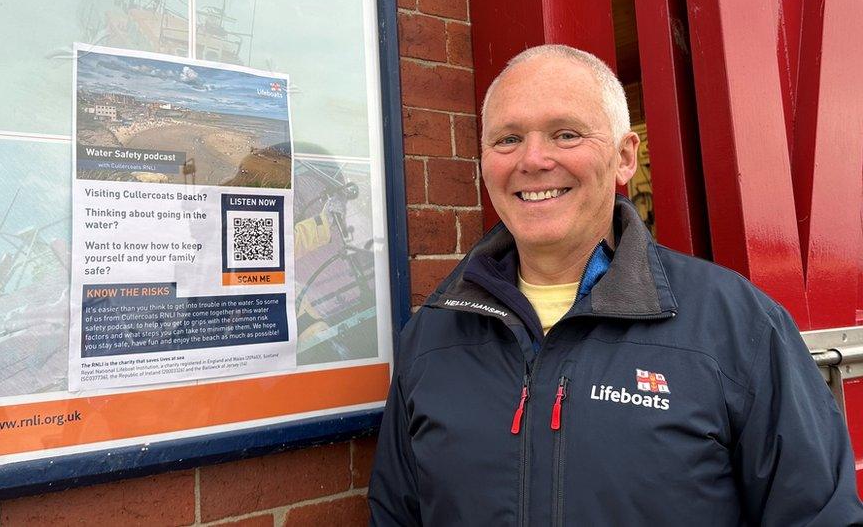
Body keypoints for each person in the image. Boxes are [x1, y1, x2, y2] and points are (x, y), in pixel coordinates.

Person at [367, 44, 863, 525]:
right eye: (507, 139)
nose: (533, 159)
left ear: (626, 157)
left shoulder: (737, 326)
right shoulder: (433, 336)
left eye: (565, 135)